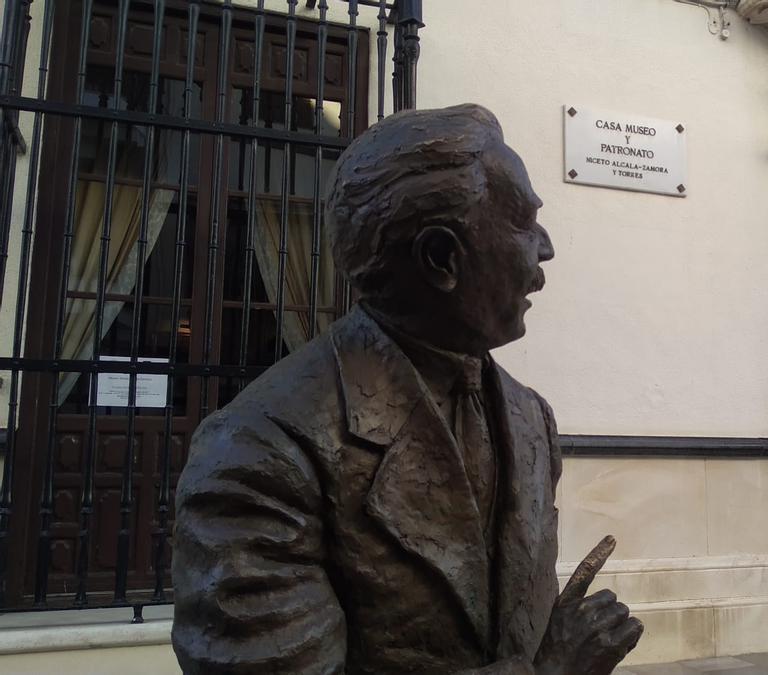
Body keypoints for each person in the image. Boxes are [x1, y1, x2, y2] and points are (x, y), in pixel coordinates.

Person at [171, 104, 643, 674]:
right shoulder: (263, 449)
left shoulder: (529, 419)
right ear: (442, 258)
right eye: (522, 222)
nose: (544, 249)